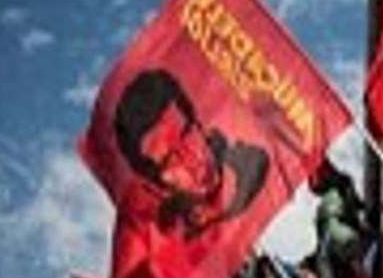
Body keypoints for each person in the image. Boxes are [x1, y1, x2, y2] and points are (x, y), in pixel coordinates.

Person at [114, 68, 269, 238]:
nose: (189, 157)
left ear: (201, 129)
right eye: (170, 159)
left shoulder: (251, 166)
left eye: (186, 133)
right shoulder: (170, 236)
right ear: (160, 182)